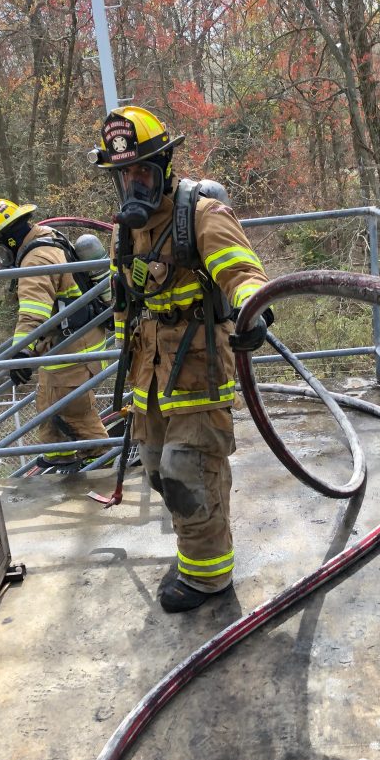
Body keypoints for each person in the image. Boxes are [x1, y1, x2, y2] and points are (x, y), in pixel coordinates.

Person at [89, 105, 271, 612]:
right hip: (148, 377)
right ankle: (195, 552)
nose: (134, 184)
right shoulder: (124, 233)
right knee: (157, 471)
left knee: (189, 469)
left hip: (198, 368)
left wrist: (251, 307)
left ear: (165, 167)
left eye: (143, 171)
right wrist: (125, 372)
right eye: (124, 175)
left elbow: (243, 273)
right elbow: (127, 306)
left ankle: (209, 579)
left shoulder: (203, 216)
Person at [0, 198, 109, 470]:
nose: (2, 256)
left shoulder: (35, 260)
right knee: (48, 407)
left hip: (73, 352)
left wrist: (21, 353)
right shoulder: (47, 238)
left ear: (9, 241)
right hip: (65, 346)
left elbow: (33, 313)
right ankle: (57, 463)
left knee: (76, 417)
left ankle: (103, 469)